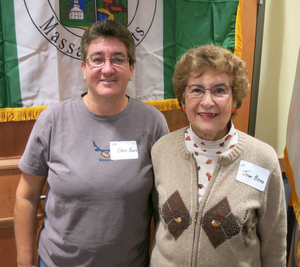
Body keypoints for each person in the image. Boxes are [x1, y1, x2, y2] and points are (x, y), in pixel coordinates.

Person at [14, 20, 169, 267]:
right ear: (84, 68)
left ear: (131, 69)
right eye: (97, 59)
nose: (107, 69)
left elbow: (163, 204)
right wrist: (24, 261)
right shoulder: (53, 120)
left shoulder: (153, 123)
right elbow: (26, 196)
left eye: (118, 59)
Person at [150, 44, 287, 266]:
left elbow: (274, 247)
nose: (207, 101)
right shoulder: (161, 151)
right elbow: (159, 223)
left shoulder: (262, 159)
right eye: (196, 89)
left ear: (234, 100)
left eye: (219, 90)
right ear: (183, 100)